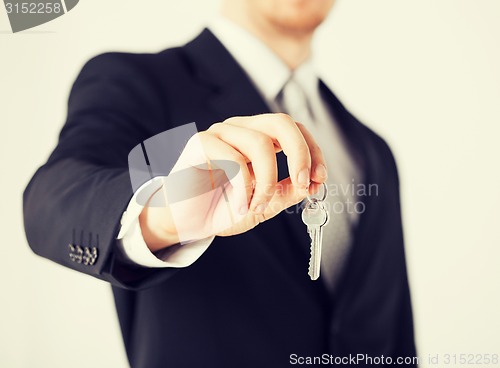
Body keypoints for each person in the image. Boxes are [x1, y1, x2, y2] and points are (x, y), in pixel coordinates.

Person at [23, 0, 417, 367]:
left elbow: (394, 333)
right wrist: (166, 215)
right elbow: (51, 202)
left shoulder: (373, 150)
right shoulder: (137, 83)